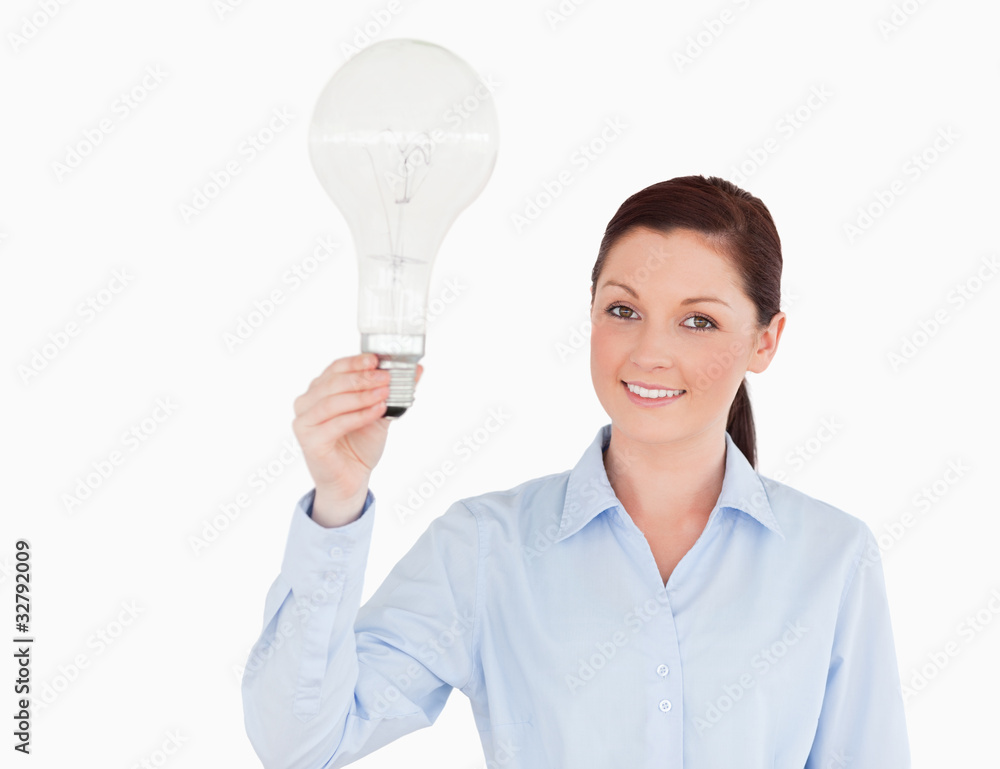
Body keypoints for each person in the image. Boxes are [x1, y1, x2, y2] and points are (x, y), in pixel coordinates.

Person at [241, 176, 911, 768]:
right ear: (590, 311)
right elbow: (302, 743)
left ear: (765, 340)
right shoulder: (487, 547)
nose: (650, 351)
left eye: (698, 321)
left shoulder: (832, 558)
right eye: (624, 310)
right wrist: (338, 497)